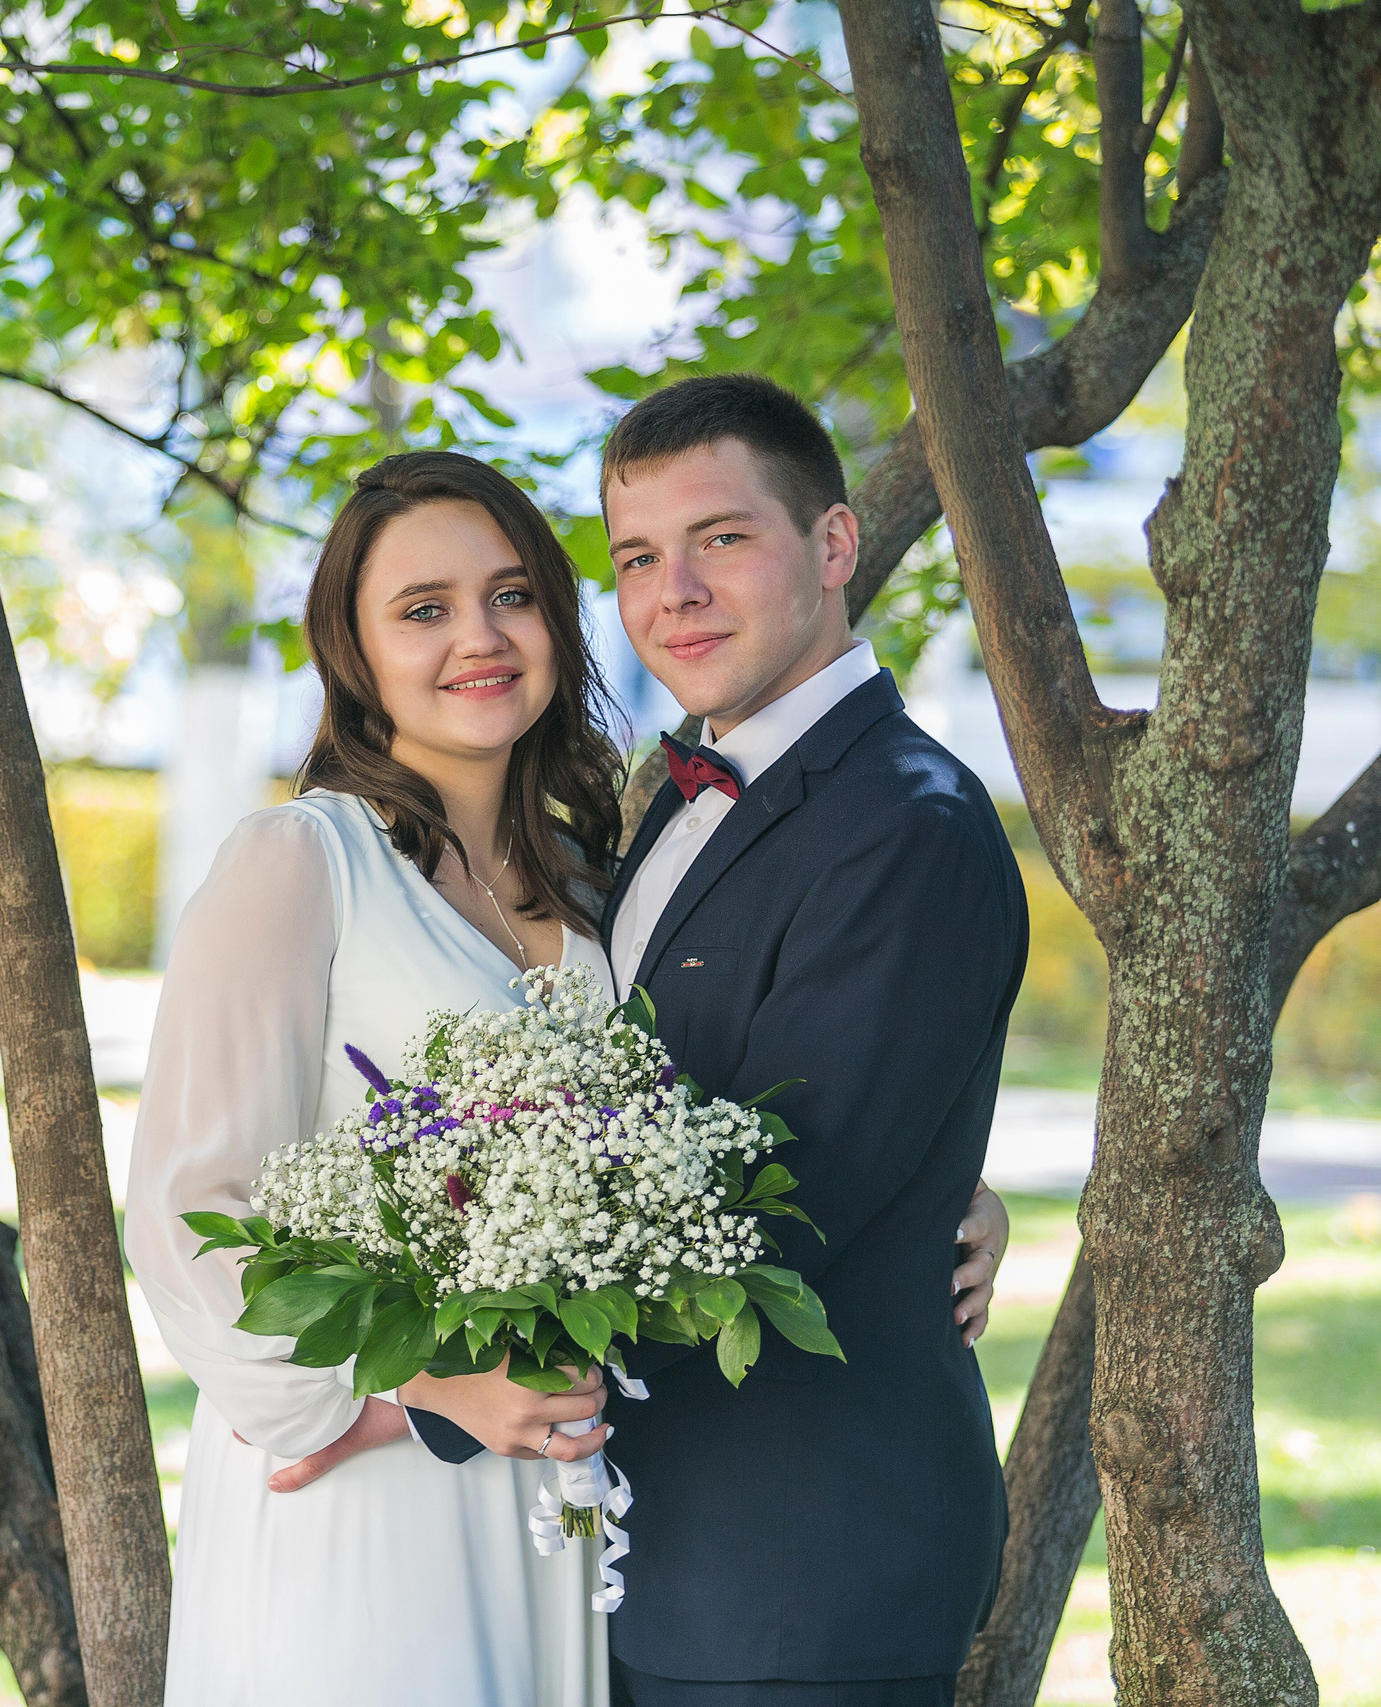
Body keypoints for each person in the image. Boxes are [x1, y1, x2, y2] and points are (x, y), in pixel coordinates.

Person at [389, 374, 1028, 1707]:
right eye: (636, 557)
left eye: (723, 538)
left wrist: (443, 1377)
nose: (672, 590)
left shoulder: (908, 826)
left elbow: (778, 1210)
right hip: (650, 1553)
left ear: (835, 545)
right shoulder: (672, 797)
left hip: (799, 1576)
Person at [126, 451, 630, 1705]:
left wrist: (966, 1202)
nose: (481, 636)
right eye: (424, 609)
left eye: (512, 597)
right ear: (350, 651)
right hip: (372, 1475)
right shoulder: (301, 861)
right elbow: (188, 1208)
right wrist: (412, 1394)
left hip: (563, 1479)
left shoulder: (596, 888)